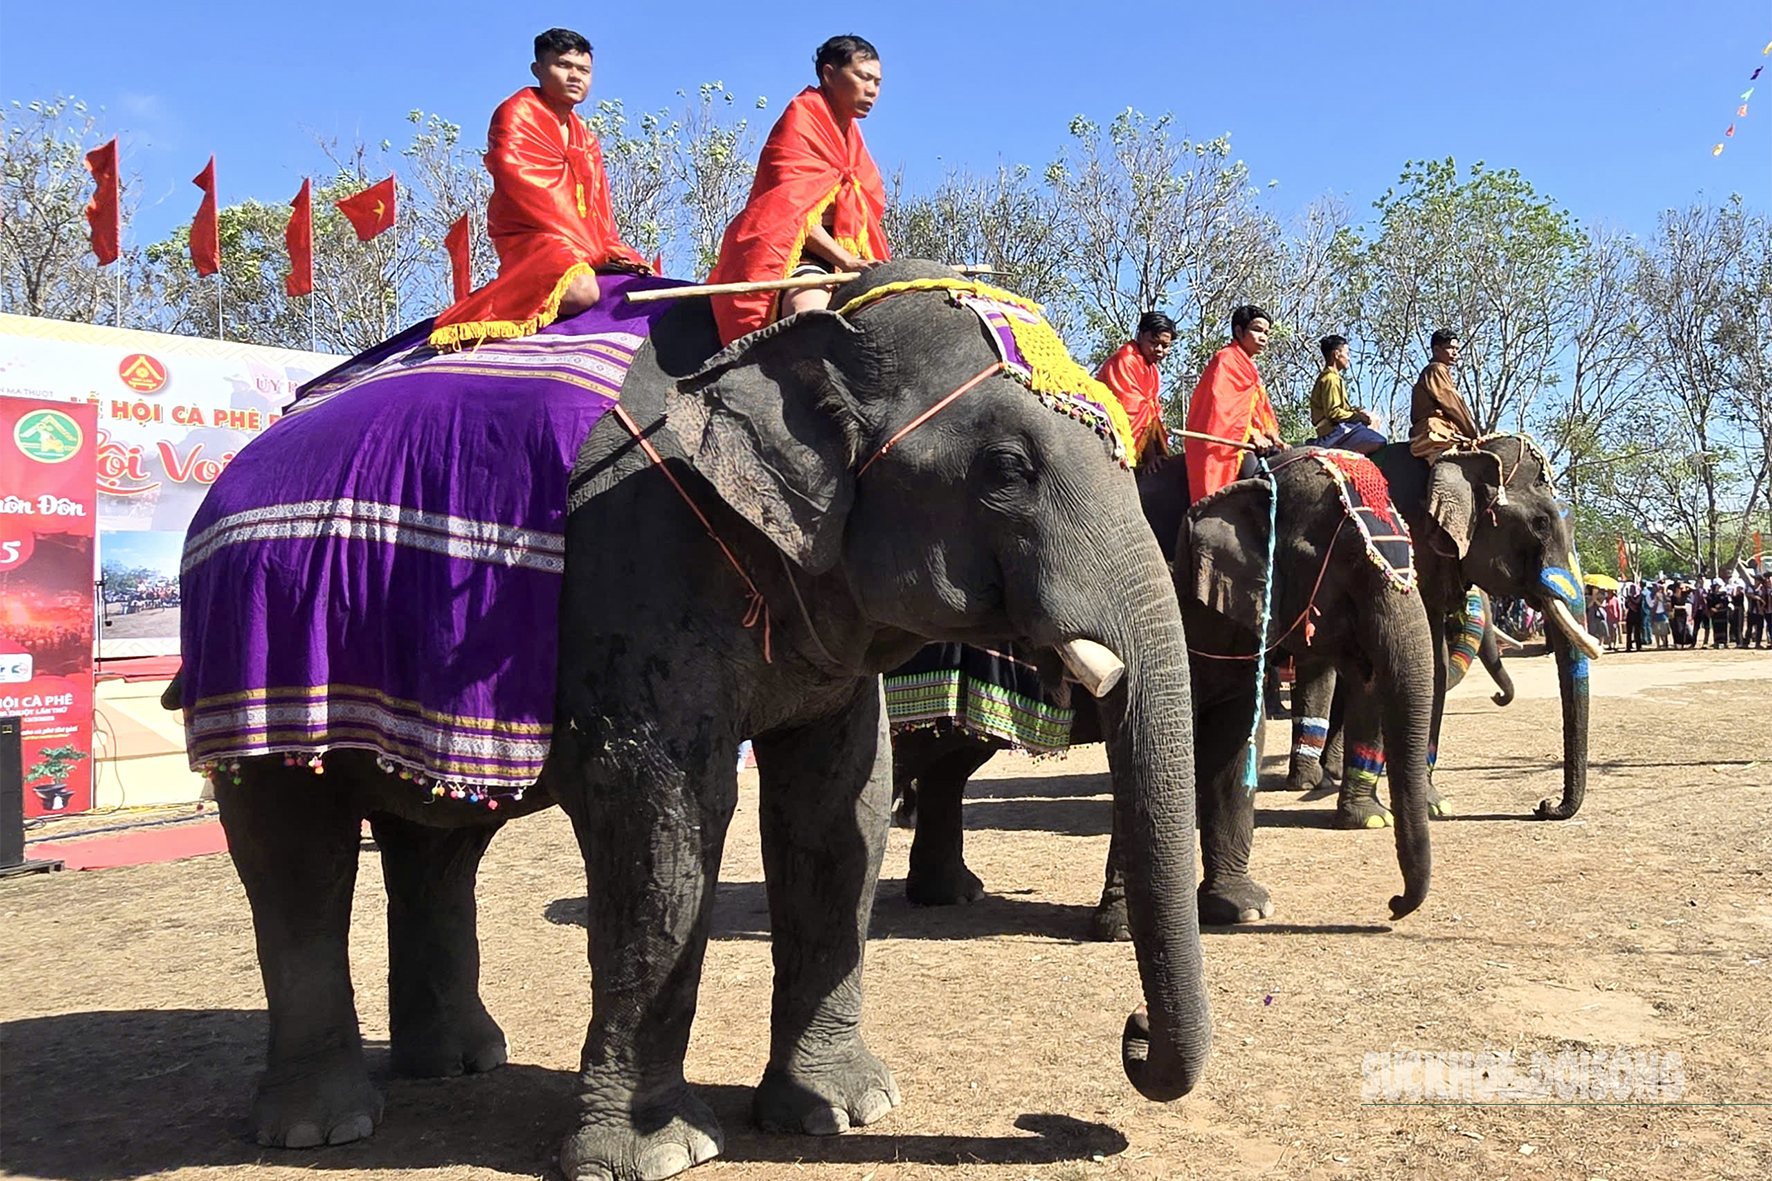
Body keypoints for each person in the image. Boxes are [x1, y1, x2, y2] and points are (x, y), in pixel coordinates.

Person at [430, 29, 649, 349]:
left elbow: (597, 204)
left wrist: (607, 248)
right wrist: (586, 248)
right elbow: (526, 186)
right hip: (533, 235)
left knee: (633, 279)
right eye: (563, 66)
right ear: (538, 69)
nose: (575, 76)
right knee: (582, 291)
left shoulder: (585, 136)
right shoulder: (517, 113)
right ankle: (497, 321)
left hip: (582, 240)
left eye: (584, 70)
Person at [707, 35, 889, 344]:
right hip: (799, 260)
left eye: (877, 82)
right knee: (811, 319)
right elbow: (791, 216)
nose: (872, 89)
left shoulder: (853, 142)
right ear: (829, 74)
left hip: (853, 263)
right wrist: (845, 261)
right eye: (862, 77)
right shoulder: (800, 122)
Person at [1184, 304, 1283, 505]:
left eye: (1266, 332)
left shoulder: (1250, 366)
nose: (1263, 337)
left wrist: (1272, 434)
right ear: (1239, 331)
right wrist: (1251, 433)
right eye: (1257, 330)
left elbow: (1259, 410)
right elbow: (1221, 410)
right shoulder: (1226, 359)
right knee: (1259, 486)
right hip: (1230, 444)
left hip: (1254, 441)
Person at [1096, 311, 1175, 464]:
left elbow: (1152, 413)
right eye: (1153, 342)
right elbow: (1133, 411)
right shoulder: (1125, 360)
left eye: (1165, 346)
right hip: (1109, 437)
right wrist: (1150, 458)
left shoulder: (1152, 369)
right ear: (1140, 336)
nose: (1159, 349)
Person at [1409, 329, 1480, 460]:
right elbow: (1452, 404)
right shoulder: (1436, 369)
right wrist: (1474, 435)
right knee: (1449, 461)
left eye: (1457, 349)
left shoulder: (1440, 370)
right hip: (1435, 430)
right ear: (1436, 350)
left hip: (1447, 429)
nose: (1455, 353)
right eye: (1450, 348)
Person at [1310, 335, 1386, 455]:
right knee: (1378, 441)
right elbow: (1333, 413)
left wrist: (1360, 412)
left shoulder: (1331, 377)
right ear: (1336, 354)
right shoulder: (1330, 379)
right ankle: (1341, 455)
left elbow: (1342, 409)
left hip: (1337, 428)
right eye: (1347, 353)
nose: (1349, 358)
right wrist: (1360, 417)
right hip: (1333, 431)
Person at [1624, 582, 1644, 652]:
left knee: (1637, 632)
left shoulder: (1640, 596)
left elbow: (1637, 603)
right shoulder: (1628, 597)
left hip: (1637, 615)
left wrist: (1630, 598)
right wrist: (1627, 601)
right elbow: (1626, 606)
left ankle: (1638, 646)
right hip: (1630, 615)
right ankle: (1628, 646)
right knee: (1629, 632)